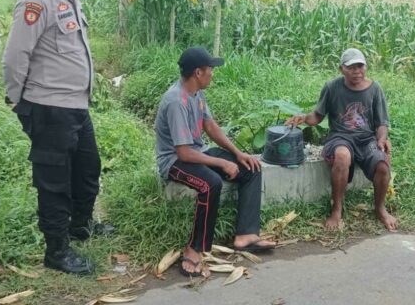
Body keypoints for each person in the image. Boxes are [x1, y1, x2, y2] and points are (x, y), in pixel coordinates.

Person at [3, 0, 113, 275]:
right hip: (50, 108)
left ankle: (80, 226)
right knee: (54, 182)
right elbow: (15, 57)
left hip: (76, 107)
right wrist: (20, 103)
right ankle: (57, 250)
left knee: (87, 170)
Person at [155, 46, 276, 278]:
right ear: (198, 73)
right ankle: (194, 248)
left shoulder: (197, 94)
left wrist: (238, 154)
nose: (213, 73)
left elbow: (210, 126)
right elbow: (183, 154)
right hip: (173, 161)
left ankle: (246, 235)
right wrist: (220, 164)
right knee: (210, 184)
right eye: (210, 69)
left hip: (197, 151)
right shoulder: (176, 101)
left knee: (250, 167)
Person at [286, 48, 397, 232]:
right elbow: (317, 116)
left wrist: (382, 140)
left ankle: (380, 209)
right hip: (340, 137)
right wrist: (303, 118)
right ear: (341, 69)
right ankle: (337, 210)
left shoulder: (375, 89)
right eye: (351, 67)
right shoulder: (332, 87)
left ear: (366, 67)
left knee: (383, 164)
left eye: (360, 66)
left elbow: (382, 123)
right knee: (342, 155)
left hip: (366, 139)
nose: (356, 71)